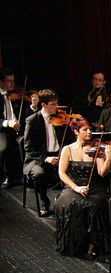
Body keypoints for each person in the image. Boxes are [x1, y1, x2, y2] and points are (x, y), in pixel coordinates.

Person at [53, 117, 111, 258]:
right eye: (85, 130)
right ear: (76, 131)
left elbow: (102, 173)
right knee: (70, 205)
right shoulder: (68, 149)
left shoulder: (95, 149)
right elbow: (62, 173)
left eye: (90, 129)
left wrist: (109, 158)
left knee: (95, 205)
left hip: (94, 187)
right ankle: (74, 245)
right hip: (73, 187)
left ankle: (91, 246)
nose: (89, 132)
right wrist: (76, 188)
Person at [23, 88, 62, 217]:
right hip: (38, 159)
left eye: (57, 103)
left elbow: (66, 139)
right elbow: (28, 147)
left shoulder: (59, 118)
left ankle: (63, 200)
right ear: (44, 105)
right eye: (53, 104)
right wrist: (46, 158)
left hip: (57, 155)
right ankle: (44, 201)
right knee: (39, 174)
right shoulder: (32, 120)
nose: (56, 107)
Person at [1, 68, 23, 188]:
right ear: (1, 82)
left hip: (15, 127)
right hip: (3, 129)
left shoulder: (12, 96)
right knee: (4, 146)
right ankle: (7, 176)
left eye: (13, 81)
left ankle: (23, 175)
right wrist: (9, 123)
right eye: (9, 81)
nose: (12, 84)